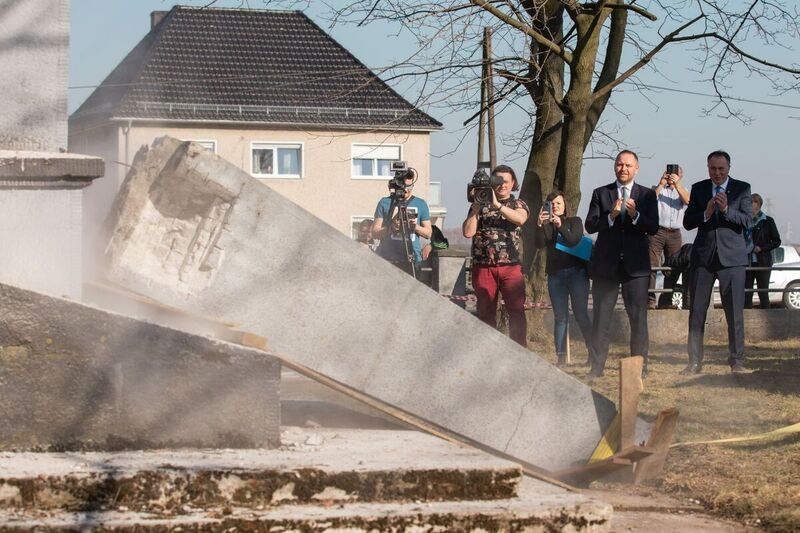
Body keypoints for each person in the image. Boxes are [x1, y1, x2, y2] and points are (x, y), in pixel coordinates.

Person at [585, 150, 659, 378]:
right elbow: (590, 225)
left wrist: (636, 215)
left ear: (636, 168)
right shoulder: (601, 193)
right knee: (601, 320)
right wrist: (612, 215)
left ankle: (639, 368)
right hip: (606, 266)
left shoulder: (646, 195)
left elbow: (653, 227)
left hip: (635, 267)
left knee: (638, 320)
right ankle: (596, 368)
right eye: (619, 165)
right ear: (615, 167)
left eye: (628, 165)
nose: (623, 169)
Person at [683, 150, 752, 375]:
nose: (717, 173)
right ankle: (694, 362)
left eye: (721, 169)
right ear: (708, 168)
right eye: (713, 169)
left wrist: (725, 210)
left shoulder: (742, 188)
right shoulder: (699, 188)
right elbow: (687, 222)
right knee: (697, 312)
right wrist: (706, 212)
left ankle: (736, 361)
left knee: (734, 313)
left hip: (732, 258)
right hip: (703, 258)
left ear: (729, 168)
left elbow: (746, 221)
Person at [462, 165, 530, 346]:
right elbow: (468, 233)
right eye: (497, 181)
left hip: (511, 266)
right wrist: (477, 208)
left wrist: (497, 205)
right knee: (485, 312)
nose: (501, 185)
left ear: (513, 183)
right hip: (483, 266)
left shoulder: (518, 204)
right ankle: (488, 350)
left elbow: (520, 219)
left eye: (505, 181)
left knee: (516, 310)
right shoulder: (478, 204)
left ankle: (519, 350)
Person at [534, 190, 594, 367]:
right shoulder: (546, 226)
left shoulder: (575, 222)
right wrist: (539, 224)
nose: (555, 207)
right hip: (556, 275)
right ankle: (561, 357)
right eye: (552, 204)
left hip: (577, 273)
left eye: (559, 204)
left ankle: (593, 353)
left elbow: (573, 240)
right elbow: (538, 244)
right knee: (560, 317)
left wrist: (560, 225)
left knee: (581, 314)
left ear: (565, 206)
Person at [372, 176, 432, 273]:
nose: (406, 190)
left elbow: (428, 233)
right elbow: (375, 232)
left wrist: (415, 227)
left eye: (410, 186)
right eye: (404, 186)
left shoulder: (420, 204)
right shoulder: (385, 202)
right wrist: (391, 228)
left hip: (413, 259)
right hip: (388, 259)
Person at [649, 165, 689, 308]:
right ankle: (650, 300)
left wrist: (677, 185)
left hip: (675, 233)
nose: (672, 176)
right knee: (652, 265)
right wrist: (661, 184)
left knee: (673, 266)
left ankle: (666, 301)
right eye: (670, 173)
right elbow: (648, 201)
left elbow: (688, 201)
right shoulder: (657, 188)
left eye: (676, 174)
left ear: (681, 176)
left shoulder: (683, 191)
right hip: (657, 231)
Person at [744, 193, 781, 309]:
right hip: (747, 261)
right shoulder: (744, 221)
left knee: (763, 291)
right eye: (750, 207)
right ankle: (746, 318)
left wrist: (762, 248)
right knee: (746, 292)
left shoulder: (768, 221)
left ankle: (766, 316)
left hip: (763, 261)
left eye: (755, 207)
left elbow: (776, 241)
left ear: (759, 206)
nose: (752, 211)